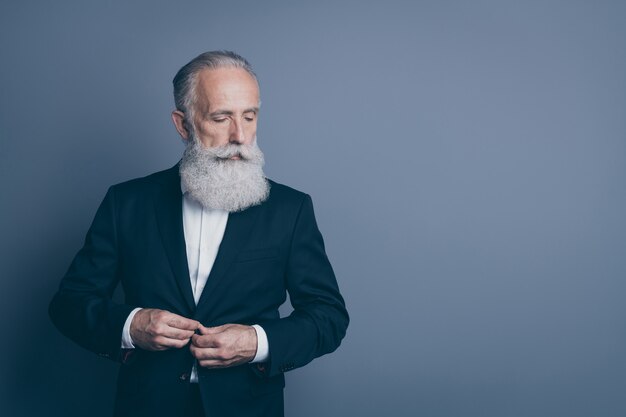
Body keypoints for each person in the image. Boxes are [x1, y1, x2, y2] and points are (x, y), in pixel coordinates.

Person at [49, 50, 349, 417]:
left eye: (249, 116)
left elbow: (329, 317)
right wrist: (131, 325)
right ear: (183, 124)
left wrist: (257, 342)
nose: (239, 136)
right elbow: (69, 304)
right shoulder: (125, 203)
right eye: (221, 117)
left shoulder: (291, 209)